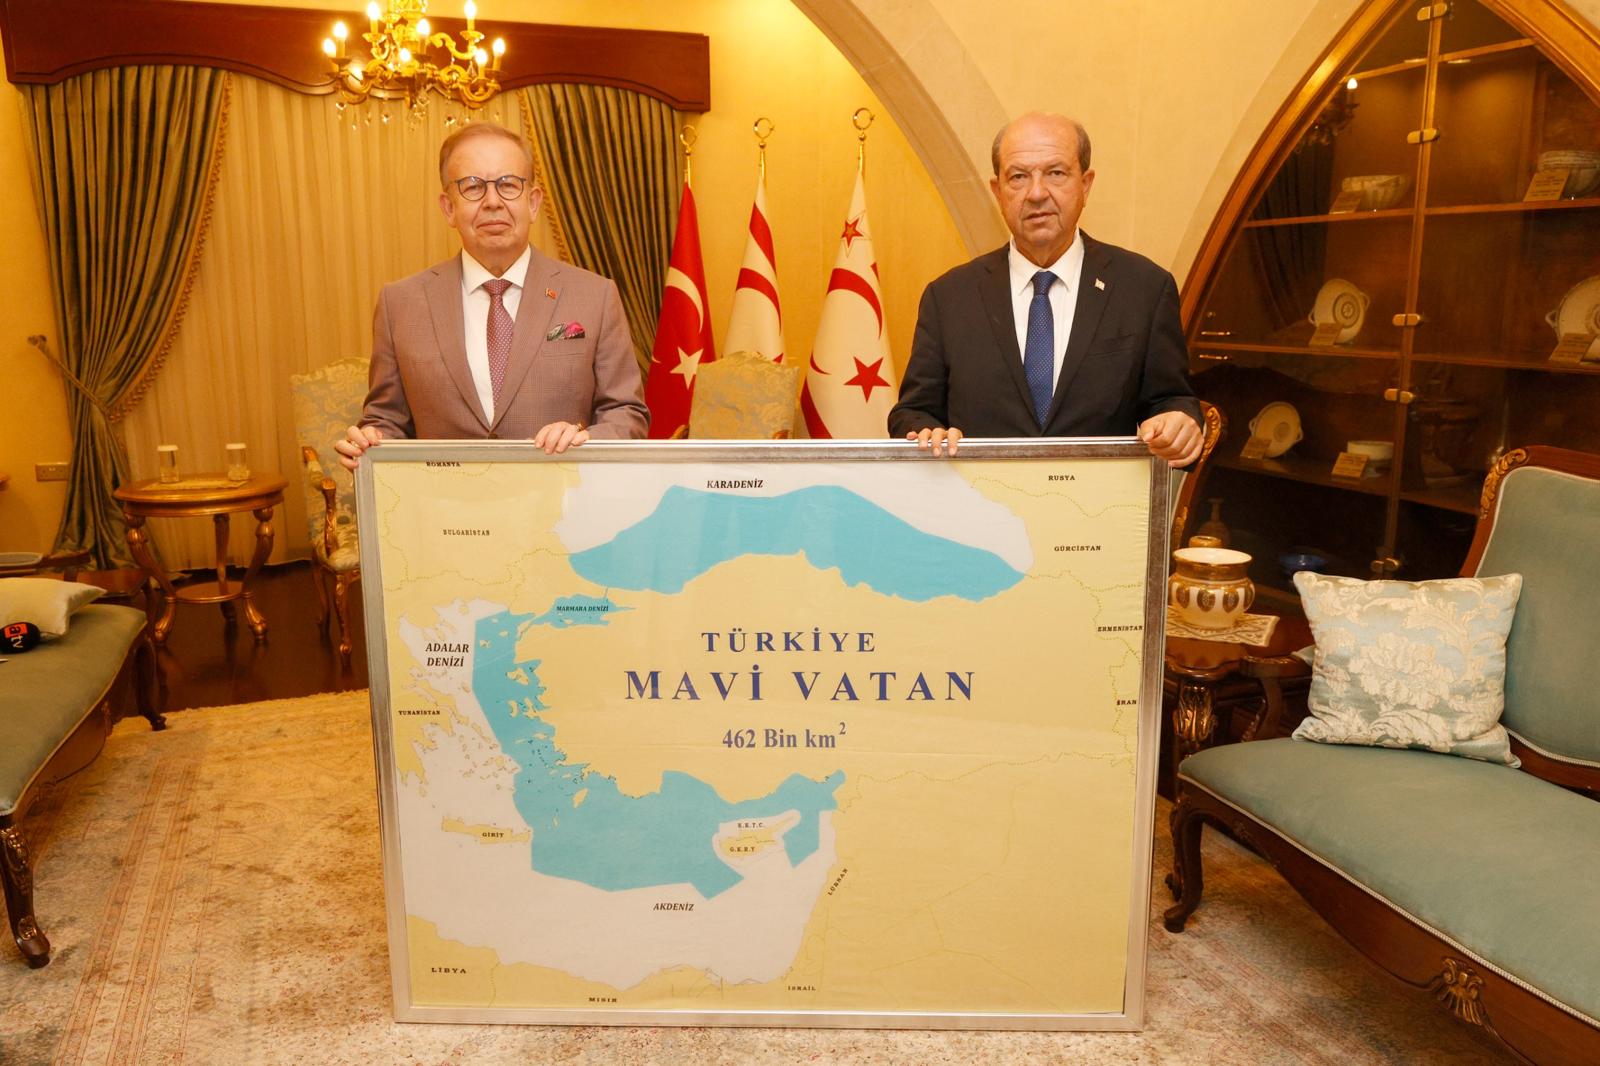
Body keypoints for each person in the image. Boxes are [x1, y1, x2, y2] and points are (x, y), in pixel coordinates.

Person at [888, 112, 1202, 465]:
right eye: (1018, 177)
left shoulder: (1144, 288)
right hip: (980, 498)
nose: (1037, 193)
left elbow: (1172, 401)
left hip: (1096, 498)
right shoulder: (948, 297)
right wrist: (926, 432)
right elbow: (913, 413)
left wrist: (1180, 424)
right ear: (998, 192)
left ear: (1085, 184)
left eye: (1056, 173)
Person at [336, 122, 647, 470]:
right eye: (472, 187)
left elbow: (627, 413)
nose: (493, 202)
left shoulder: (595, 295)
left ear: (533, 202)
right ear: (449, 208)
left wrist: (585, 440)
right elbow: (387, 420)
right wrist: (370, 441)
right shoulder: (400, 303)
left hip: (561, 497)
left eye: (508, 185)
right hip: (444, 501)